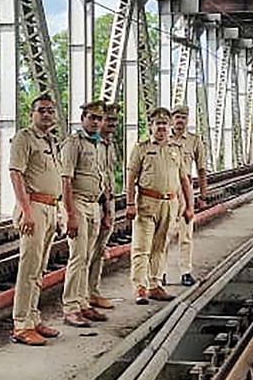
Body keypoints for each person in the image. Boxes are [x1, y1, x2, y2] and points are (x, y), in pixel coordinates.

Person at [8, 93, 63, 346]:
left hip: (50, 207)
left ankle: (33, 316)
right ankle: (21, 324)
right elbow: (16, 173)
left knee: (40, 268)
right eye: (42, 110)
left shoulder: (52, 141)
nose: (47, 115)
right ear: (32, 113)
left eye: (51, 111)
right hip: (34, 206)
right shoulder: (24, 138)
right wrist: (25, 210)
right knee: (29, 267)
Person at [127, 107, 194, 304]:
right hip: (147, 203)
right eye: (158, 124)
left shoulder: (176, 150)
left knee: (161, 246)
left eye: (165, 124)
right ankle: (140, 287)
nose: (162, 127)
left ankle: (155, 284)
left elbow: (184, 180)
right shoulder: (141, 148)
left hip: (170, 203)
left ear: (170, 126)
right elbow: (131, 178)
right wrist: (130, 203)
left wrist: (189, 207)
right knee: (142, 247)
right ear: (151, 126)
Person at [60, 101, 109, 328]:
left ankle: (83, 302)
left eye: (99, 118)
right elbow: (66, 180)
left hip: (94, 205)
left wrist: (106, 208)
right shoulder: (73, 143)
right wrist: (69, 213)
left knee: (87, 256)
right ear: (83, 118)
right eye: (92, 117)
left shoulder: (100, 145)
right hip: (78, 203)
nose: (96, 121)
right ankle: (70, 308)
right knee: (77, 257)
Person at [168, 104, 209, 287]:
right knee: (164, 234)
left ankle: (185, 272)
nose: (180, 120)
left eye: (183, 117)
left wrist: (202, 195)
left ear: (187, 120)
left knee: (186, 235)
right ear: (171, 119)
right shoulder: (162, 139)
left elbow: (201, 169)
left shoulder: (194, 141)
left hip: (185, 194)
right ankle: (160, 273)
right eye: (176, 117)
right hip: (167, 193)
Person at [86, 102, 120, 311]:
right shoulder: (92, 144)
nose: (111, 124)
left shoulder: (109, 145)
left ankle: (93, 291)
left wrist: (109, 208)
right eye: (107, 120)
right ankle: (81, 297)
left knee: (99, 250)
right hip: (93, 202)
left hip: (108, 201)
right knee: (86, 252)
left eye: (115, 121)